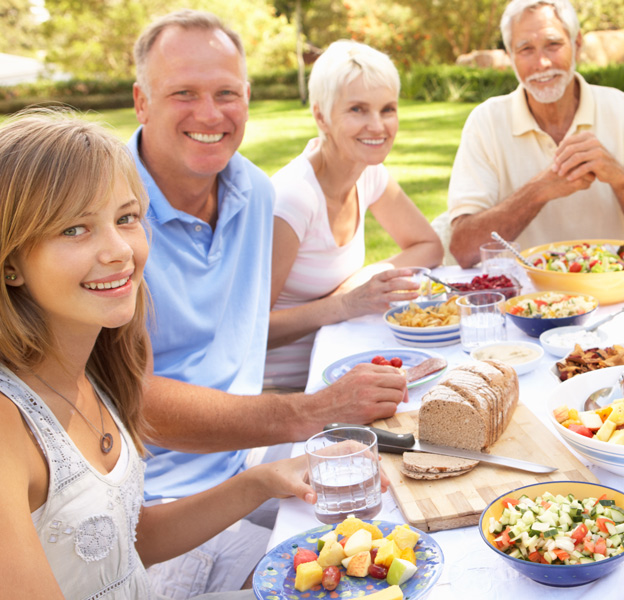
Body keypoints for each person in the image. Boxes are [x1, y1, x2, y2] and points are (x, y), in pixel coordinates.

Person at [0, 113, 314, 599]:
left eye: (126, 218)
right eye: (74, 229)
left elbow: (124, 543)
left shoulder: (100, 363)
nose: (119, 250)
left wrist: (260, 482)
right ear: (8, 264)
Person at [128, 10, 405, 596]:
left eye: (226, 93)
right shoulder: (107, 209)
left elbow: (242, 337)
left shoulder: (252, 190)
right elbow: (134, 399)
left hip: (245, 458)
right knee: (354, 582)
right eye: (184, 93)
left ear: (247, 98)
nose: (210, 114)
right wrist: (311, 409)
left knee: (400, 487)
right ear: (141, 101)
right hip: (155, 506)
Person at [445, 0, 624, 267]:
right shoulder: (485, 122)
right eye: (525, 49)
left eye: (553, 45)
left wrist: (621, 181)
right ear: (510, 56)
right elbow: (463, 250)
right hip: (525, 301)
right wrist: (540, 190)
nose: (542, 63)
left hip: (617, 294)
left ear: (577, 44)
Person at [266, 40, 444, 390]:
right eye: (358, 109)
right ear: (321, 116)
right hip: (284, 391)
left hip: (344, 364)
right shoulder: (294, 197)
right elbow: (250, 332)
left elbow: (428, 246)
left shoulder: (367, 171)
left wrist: (368, 276)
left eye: (387, 109)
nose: (377, 126)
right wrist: (345, 303)